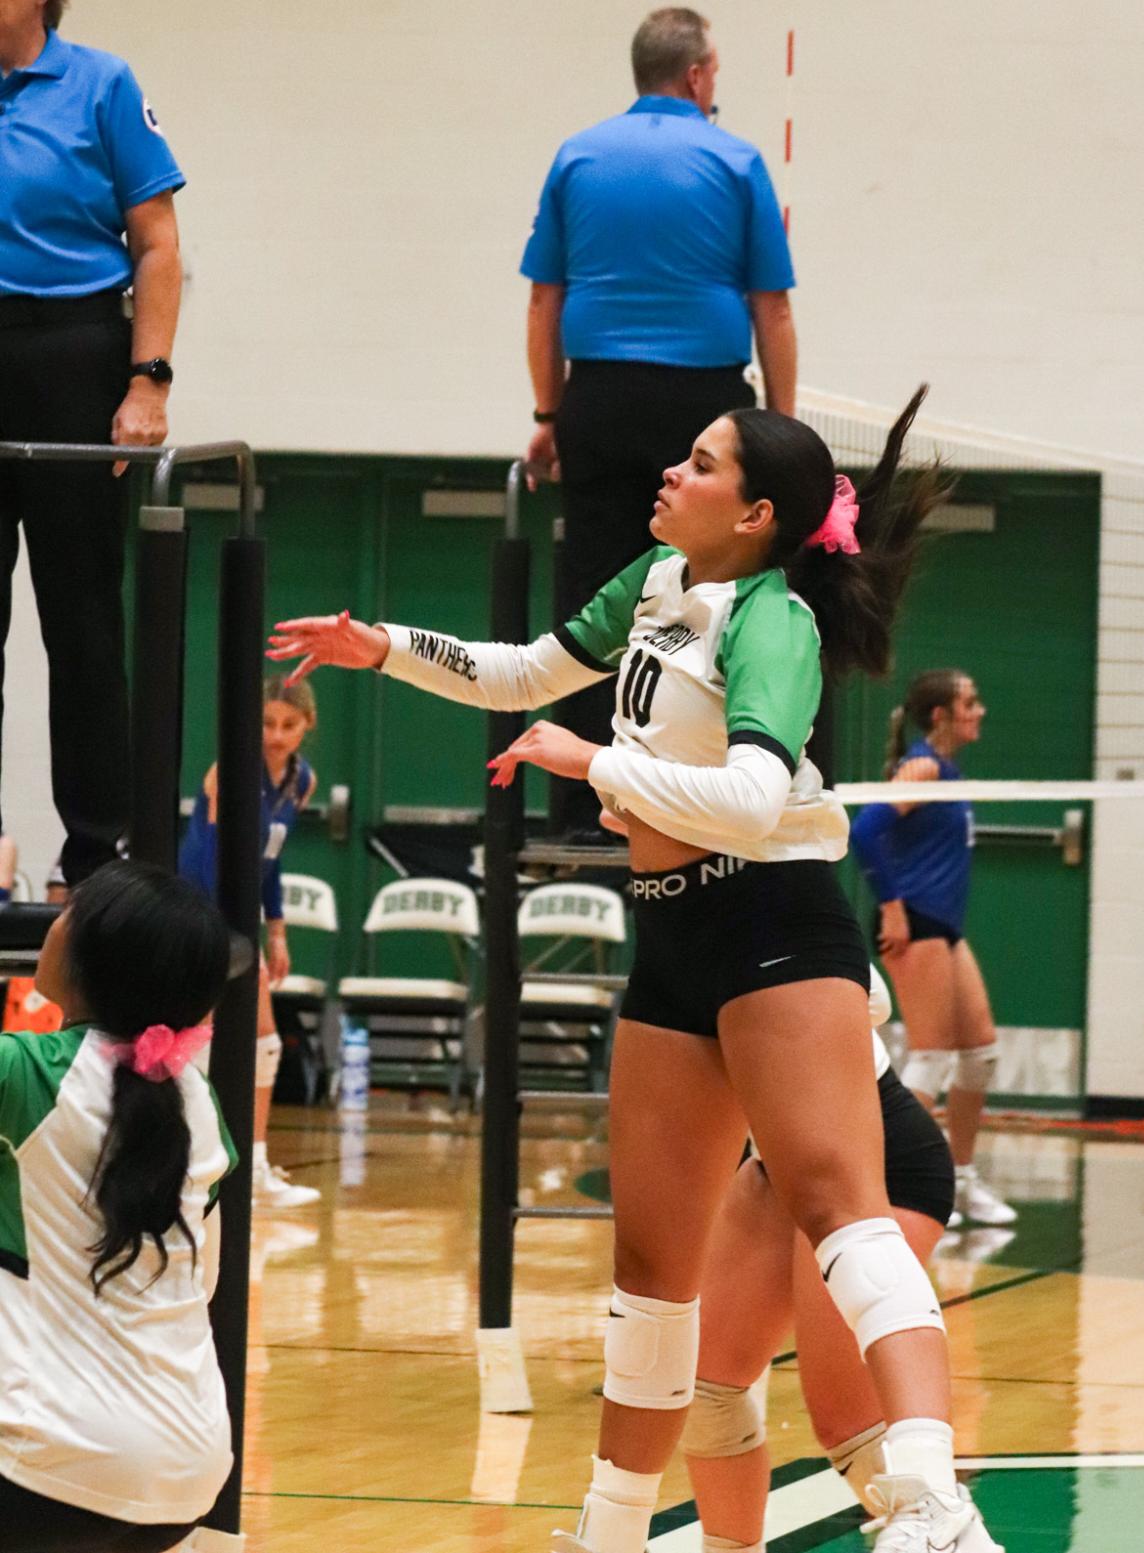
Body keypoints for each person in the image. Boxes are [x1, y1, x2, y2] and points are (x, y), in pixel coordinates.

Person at [269, 392, 1005, 1553]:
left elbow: (757, 799)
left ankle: (930, 1505)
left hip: (774, 925)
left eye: (700, 462)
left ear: (755, 513)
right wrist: (382, 648)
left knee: (834, 1211)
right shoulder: (658, 589)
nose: (670, 469)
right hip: (670, 932)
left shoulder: (773, 621)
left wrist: (597, 763)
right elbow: (518, 674)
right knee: (649, 1272)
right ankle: (608, 1532)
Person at [519, 6, 797, 835]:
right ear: (700, 76)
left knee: (595, 593)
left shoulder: (578, 154)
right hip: (704, 409)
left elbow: (544, 298)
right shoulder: (737, 159)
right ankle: (698, 787)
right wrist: (781, 434)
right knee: (712, 592)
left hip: (597, 400)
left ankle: (580, 808)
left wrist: (549, 412)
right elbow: (771, 307)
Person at [0, 0, 184, 887]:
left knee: (81, 620)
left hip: (74, 347)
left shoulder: (101, 84)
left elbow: (156, 244)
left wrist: (146, 380)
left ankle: (96, 845)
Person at [0, 859, 234, 1550]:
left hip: (50, 1465)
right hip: (186, 1472)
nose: (53, 920)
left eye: (69, 909)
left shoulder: (25, 1074)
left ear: (98, 954)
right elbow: (207, 1280)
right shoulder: (199, 1099)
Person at [682, 969, 956, 1553]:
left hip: (874, 1161)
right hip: (777, 1162)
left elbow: (873, 993)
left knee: (845, 1422)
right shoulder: (676, 922)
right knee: (703, 1392)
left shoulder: (770, 899)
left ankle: (954, 1537)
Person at [851, 672, 1016, 1230]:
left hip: (943, 924)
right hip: (913, 921)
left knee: (980, 1054)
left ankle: (962, 1182)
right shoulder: (920, 767)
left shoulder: (948, 773)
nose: (980, 711)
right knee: (931, 1055)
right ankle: (892, 1188)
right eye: (970, 703)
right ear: (941, 715)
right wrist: (893, 905)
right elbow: (865, 830)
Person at [178, 676, 320, 1210]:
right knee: (193, 1037)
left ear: (307, 726)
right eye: (266, 723)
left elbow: (270, 858)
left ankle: (254, 1166)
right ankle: (191, 1161)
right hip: (197, 908)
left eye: (289, 724)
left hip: (240, 916)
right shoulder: (230, 771)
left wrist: (275, 930)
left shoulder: (300, 780)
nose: (276, 735)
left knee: (263, 1041)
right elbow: (211, 855)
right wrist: (228, 938)